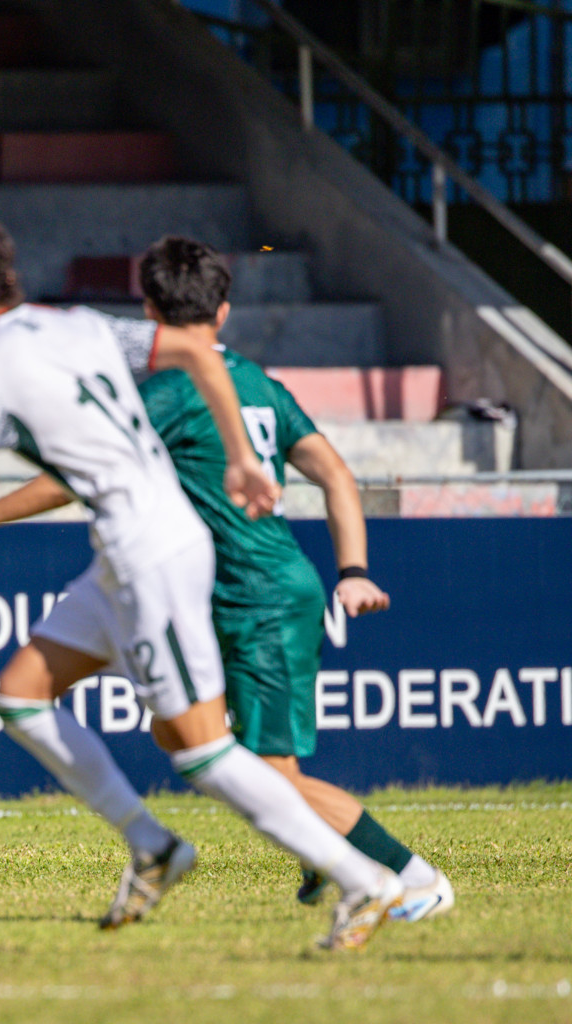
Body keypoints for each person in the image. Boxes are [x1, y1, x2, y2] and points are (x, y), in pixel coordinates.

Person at [0, 206, 404, 950]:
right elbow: (199, 353)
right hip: (130, 548)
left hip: (148, 555)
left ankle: (365, 880)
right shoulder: (77, 325)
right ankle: (153, 846)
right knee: (21, 695)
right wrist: (241, 457)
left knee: (203, 752)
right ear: (10, 273)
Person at [131, 236, 452, 921]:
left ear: (149, 311)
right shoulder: (258, 384)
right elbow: (336, 474)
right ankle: (315, 845)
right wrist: (352, 571)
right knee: (178, 733)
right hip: (222, 599)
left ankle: (415, 876)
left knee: (268, 776)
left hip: (262, 598)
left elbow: (89, 465)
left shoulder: (167, 391)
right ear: (223, 312)